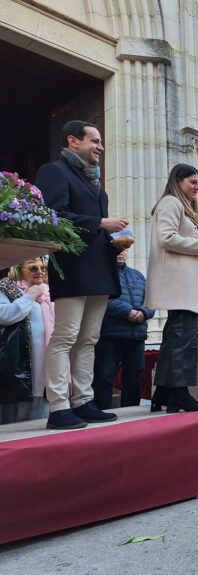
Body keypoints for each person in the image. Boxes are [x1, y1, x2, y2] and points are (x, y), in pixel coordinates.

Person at [35, 120, 128, 430]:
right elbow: (53, 215)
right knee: (65, 337)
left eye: (101, 141)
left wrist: (112, 246)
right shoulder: (54, 171)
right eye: (95, 140)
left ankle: (83, 401)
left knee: (88, 339)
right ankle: (59, 406)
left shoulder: (94, 180)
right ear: (73, 141)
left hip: (99, 268)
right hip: (73, 267)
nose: (100, 146)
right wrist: (100, 223)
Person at [144, 163, 198, 412]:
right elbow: (166, 237)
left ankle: (165, 392)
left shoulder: (180, 206)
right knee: (184, 339)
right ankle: (179, 392)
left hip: (184, 285)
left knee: (176, 337)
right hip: (179, 285)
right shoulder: (171, 203)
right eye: (192, 182)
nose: (197, 187)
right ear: (178, 181)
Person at [92, 247, 155, 409]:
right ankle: (101, 411)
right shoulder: (100, 273)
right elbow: (101, 299)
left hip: (137, 335)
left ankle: (130, 412)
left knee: (135, 376)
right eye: (118, 248)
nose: (121, 252)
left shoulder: (138, 276)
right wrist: (127, 311)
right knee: (104, 377)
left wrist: (143, 312)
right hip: (110, 335)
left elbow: (151, 298)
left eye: (125, 249)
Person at [0, 258, 54, 424]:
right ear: (18, 269)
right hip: (19, 363)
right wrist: (29, 297)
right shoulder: (6, 288)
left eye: (43, 268)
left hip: (48, 363)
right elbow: (5, 315)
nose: (40, 272)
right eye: (33, 268)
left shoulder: (49, 292)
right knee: (16, 417)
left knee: (43, 416)